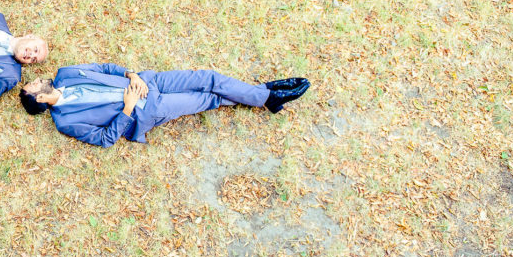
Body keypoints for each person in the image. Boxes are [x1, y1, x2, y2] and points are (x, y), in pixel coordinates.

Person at [18, 63, 308, 147]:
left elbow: (107, 67)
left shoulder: (66, 74)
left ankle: (266, 96)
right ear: (40, 99)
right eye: (32, 87)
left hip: (148, 82)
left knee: (207, 77)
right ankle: (268, 96)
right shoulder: (65, 121)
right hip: (145, 110)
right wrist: (129, 107)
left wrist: (132, 75)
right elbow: (104, 139)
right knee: (209, 98)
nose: (36, 80)